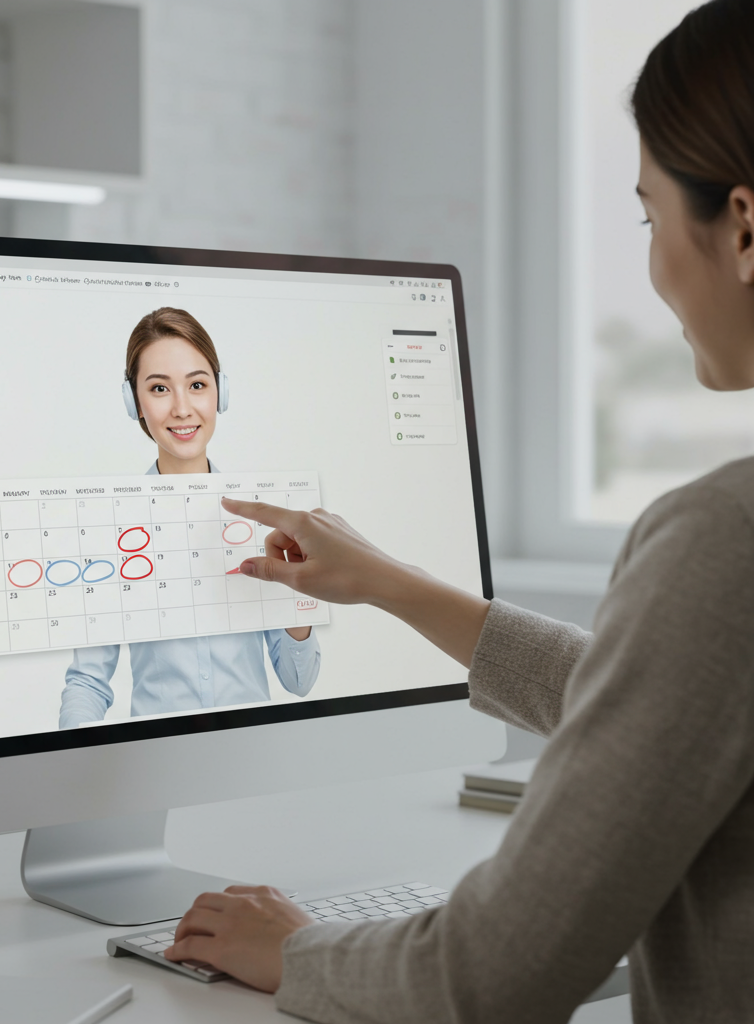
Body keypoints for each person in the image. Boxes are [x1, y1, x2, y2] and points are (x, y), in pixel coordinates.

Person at [164, 2, 754, 1020]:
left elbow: (487, 973)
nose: (654, 264)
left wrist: (299, 952)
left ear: (742, 229)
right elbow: (672, 706)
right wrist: (393, 585)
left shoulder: (724, 539)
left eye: (649, 217)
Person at [59, 307, 320, 728]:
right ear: (134, 402)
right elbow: (88, 681)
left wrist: (299, 594)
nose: (182, 409)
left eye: (197, 385)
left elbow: (299, 680)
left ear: (221, 393)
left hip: (251, 751)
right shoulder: (111, 527)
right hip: (158, 755)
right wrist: (71, 753)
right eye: (160, 388)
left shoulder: (263, 521)